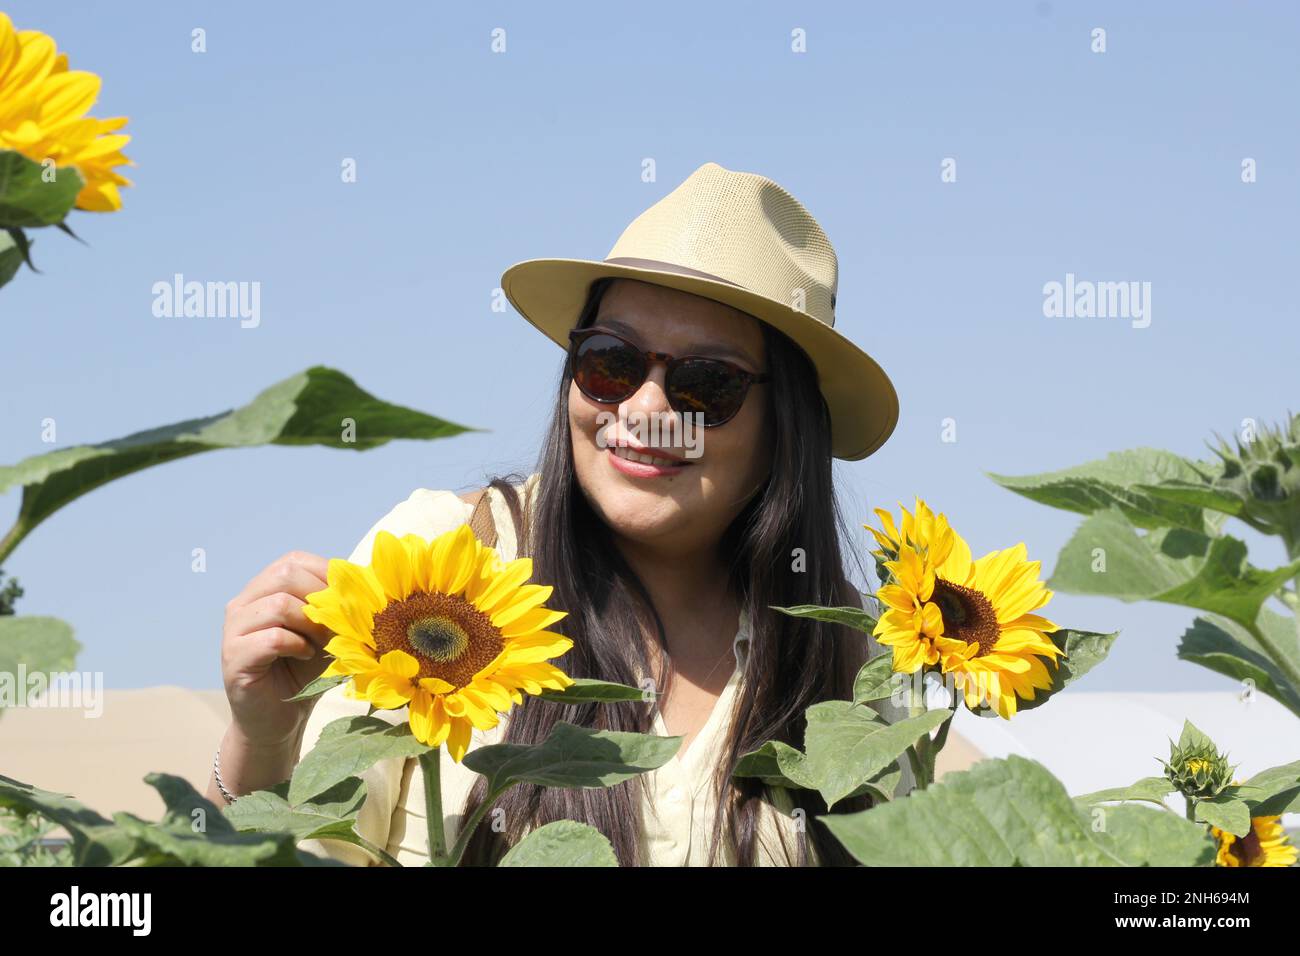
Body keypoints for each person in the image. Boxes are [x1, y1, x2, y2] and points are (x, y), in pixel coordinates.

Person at [206, 161, 908, 866]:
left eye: (706, 384)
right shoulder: (441, 562)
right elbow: (302, 848)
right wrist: (264, 744)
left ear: (784, 424)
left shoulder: (849, 663)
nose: (644, 410)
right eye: (612, 362)